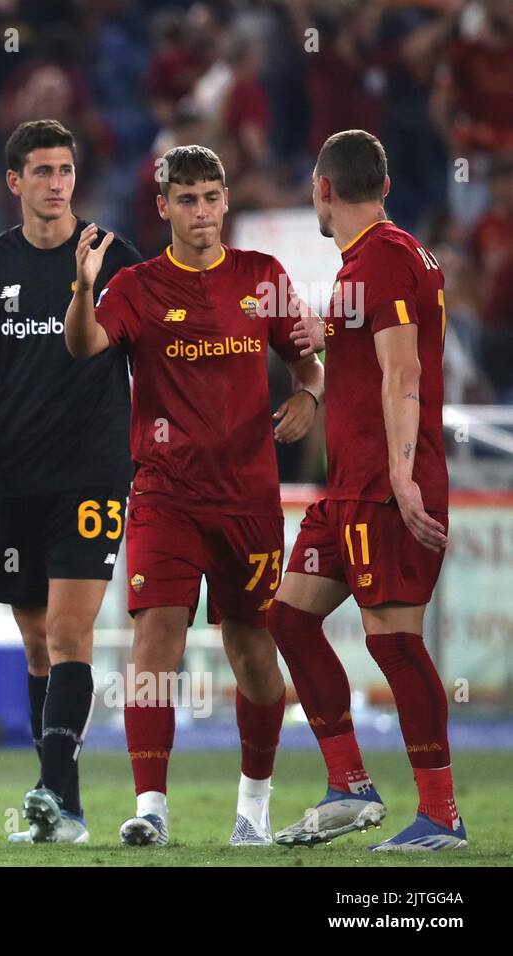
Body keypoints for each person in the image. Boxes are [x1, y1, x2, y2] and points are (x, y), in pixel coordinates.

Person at [64, 145, 326, 847]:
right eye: (187, 200)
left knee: (250, 653)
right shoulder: (137, 285)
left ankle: (255, 807)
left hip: (248, 500)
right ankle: (151, 806)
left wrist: (307, 394)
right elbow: (85, 344)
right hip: (163, 495)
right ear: (163, 207)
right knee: (155, 645)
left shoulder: (262, 277)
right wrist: (81, 287)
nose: (202, 212)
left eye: (211, 198)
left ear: (225, 202)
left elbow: (307, 356)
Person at [0, 120, 140, 845]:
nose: (56, 183)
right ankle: (67, 815)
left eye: (66, 170)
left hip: (93, 472)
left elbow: (159, 355)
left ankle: (49, 792)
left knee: (72, 631)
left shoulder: (112, 257)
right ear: (13, 183)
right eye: (42, 171)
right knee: (38, 640)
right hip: (14, 475)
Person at [269, 129, 467, 851]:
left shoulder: (382, 261)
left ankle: (442, 815)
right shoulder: (382, 260)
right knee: (288, 619)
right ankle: (350, 786)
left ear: (324, 189)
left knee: (393, 640)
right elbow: (365, 350)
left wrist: (404, 474)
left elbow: (403, 373)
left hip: (386, 485)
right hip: (346, 487)